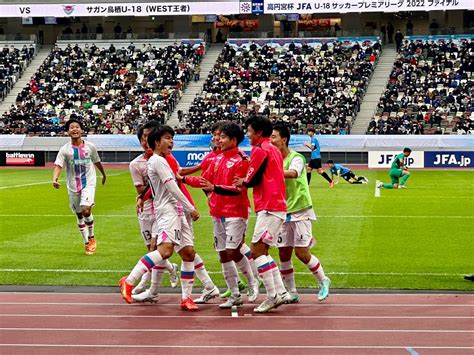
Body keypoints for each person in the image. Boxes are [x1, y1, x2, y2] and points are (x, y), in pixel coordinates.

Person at [120, 125, 217, 311]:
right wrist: (191, 208)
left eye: (172, 138)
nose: (171, 141)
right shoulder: (158, 161)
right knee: (165, 251)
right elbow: (173, 187)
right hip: (168, 212)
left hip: (178, 211)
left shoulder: (163, 160)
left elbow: (176, 181)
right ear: (157, 142)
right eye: (167, 138)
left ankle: (186, 298)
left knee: (188, 253)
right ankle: (130, 280)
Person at [185, 122, 259, 308]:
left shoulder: (242, 160)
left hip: (235, 211)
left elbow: (238, 189)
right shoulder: (217, 159)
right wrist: (183, 179)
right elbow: (204, 180)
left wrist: (215, 188)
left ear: (233, 140)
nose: (219, 140)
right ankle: (234, 293)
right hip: (217, 212)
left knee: (233, 250)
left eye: (223, 137)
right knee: (222, 254)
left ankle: (252, 282)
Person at [234, 116, 291, 313]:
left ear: (258, 133)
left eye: (249, 131)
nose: (247, 135)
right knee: (264, 251)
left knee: (256, 252)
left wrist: (242, 181)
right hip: (276, 205)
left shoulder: (259, 149)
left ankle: (271, 296)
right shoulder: (273, 149)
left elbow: (251, 179)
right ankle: (281, 292)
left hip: (269, 205)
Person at [271, 124, 331, 303]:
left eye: (274, 137)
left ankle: (323, 280)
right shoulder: (273, 160)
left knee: (302, 254)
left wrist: (271, 173)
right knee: (283, 254)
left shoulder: (296, 157)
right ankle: (292, 291)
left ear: (284, 140)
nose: (271, 140)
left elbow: (294, 173)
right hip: (282, 211)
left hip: (301, 210)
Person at [128, 122, 179, 300]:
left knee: (155, 247)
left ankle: (144, 284)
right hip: (147, 210)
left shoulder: (165, 159)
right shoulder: (136, 164)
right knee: (151, 249)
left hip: (162, 209)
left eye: (149, 137)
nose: (146, 141)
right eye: (143, 138)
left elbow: (175, 180)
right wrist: (142, 196)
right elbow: (140, 189)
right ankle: (171, 269)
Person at [53, 119, 106, 255]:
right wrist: (55, 178)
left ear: (81, 130)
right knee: (79, 214)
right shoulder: (65, 149)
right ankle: (86, 242)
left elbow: (97, 161)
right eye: (72, 127)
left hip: (89, 182)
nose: (75, 129)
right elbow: (58, 165)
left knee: (86, 210)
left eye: (77, 127)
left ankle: (92, 237)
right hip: (72, 185)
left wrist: (104, 174)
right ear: (68, 131)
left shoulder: (90, 147)